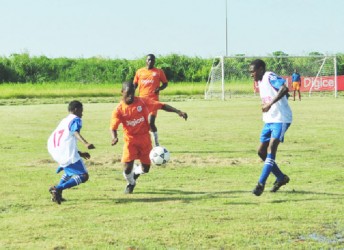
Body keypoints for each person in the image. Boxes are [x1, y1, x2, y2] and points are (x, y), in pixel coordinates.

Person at [110, 81, 187, 194]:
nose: (131, 96)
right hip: (130, 140)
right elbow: (113, 127)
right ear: (122, 92)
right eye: (128, 93)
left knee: (146, 169)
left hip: (145, 139)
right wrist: (114, 137)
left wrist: (178, 111)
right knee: (127, 169)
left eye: (132, 92)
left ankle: (136, 173)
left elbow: (161, 105)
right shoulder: (118, 110)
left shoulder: (142, 102)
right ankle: (131, 183)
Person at [249, 59, 292, 196]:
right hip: (269, 120)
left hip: (281, 119)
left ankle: (260, 184)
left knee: (271, 148)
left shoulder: (268, 76)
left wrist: (270, 104)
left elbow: (284, 88)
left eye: (253, 71)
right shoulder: (260, 82)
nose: (251, 74)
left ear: (261, 69)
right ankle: (281, 177)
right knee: (261, 152)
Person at [47, 100, 95, 204]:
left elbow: (66, 139)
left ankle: (57, 194)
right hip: (64, 151)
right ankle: (58, 188)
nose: (82, 114)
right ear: (76, 110)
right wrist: (85, 143)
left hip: (54, 148)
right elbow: (74, 132)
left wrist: (80, 153)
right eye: (81, 111)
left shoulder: (64, 120)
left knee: (69, 172)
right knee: (84, 176)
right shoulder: (76, 119)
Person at [133, 54, 168, 146]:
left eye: (152, 60)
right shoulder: (139, 72)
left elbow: (165, 83)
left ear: (154, 61)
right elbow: (134, 85)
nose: (150, 61)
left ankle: (156, 144)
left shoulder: (159, 72)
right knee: (140, 123)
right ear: (146, 60)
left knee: (151, 122)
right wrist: (131, 93)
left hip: (153, 101)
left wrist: (159, 88)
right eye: (149, 59)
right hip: (141, 101)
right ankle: (143, 143)